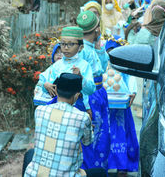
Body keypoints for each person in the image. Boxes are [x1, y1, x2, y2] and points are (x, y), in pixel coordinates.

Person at [23, 73, 107, 177]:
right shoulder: (82, 117)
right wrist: (90, 129)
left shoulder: (39, 110)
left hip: (34, 174)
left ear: (56, 90)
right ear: (77, 95)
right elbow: (87, 142)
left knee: (30, 154)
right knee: (100, 173)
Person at [76, 10, 111, 170]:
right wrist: (86, 105)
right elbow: (81, 82)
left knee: (102, 135)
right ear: (97, 29)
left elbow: (103, 67)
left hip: (99, 93)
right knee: (92, 137)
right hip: (89, 97)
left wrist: (99, 48)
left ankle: (97, 168)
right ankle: (90, 170)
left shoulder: (92, 47)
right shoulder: (82, 51)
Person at [38, 26, 96, 114]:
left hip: (77, 107)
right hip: (57, 105)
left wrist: (81, 77)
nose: (66, 47)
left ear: (80, 47)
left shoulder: (84, 65)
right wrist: (46, 85)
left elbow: (91, 89)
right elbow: (42, 80)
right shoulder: (57, 65)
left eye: (71, 44)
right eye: (63, 44)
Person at [103, 36, 139, 176]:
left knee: (121, 135)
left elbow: (131, 78)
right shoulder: (103, 65)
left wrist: (132, 92)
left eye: (115, 51)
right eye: (109, 51)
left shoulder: (125, 67)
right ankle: (104, 165)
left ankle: (122, 166)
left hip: (121, 110)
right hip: (105, 109)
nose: (112, 55)